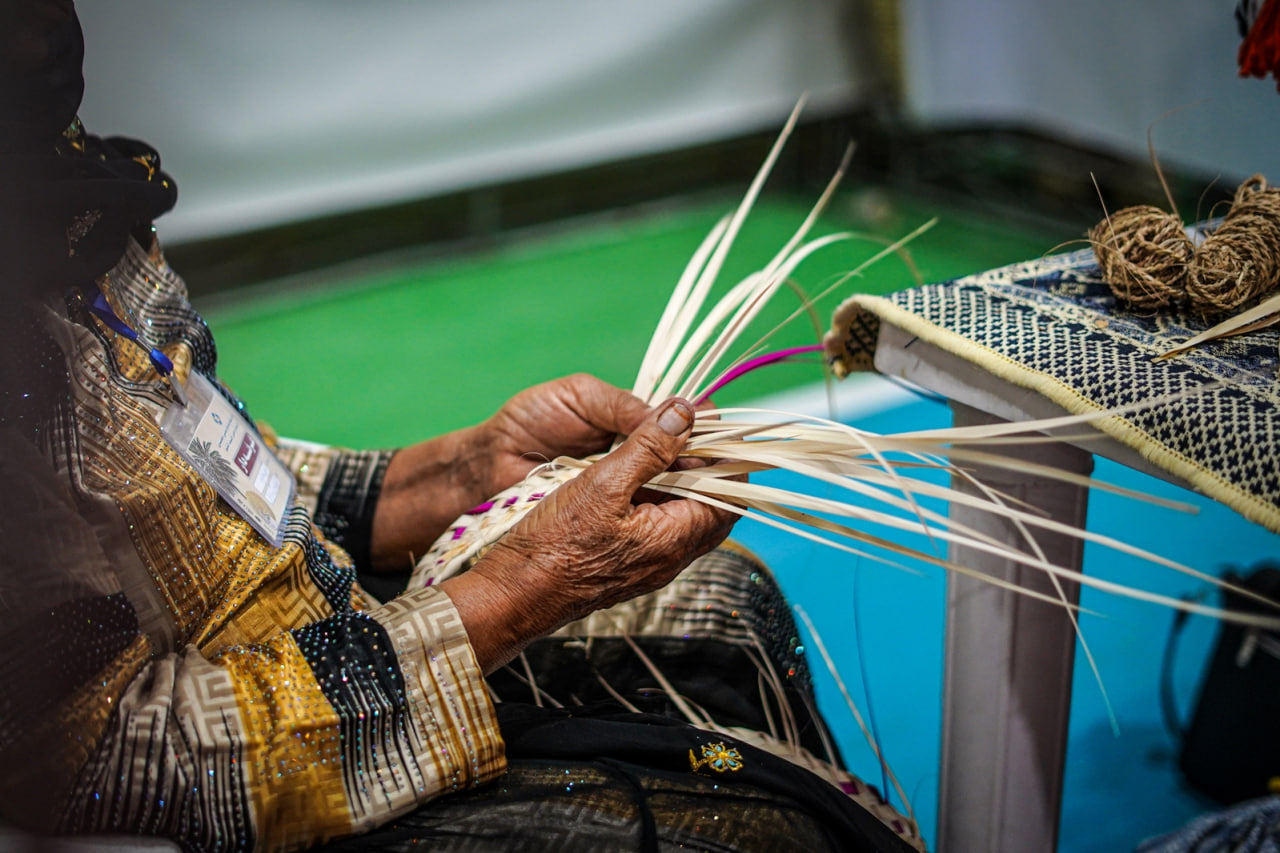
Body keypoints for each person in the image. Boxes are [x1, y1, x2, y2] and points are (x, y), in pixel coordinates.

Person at [0, 3, 922, 850]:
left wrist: (460, 470)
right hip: (236, 781)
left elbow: (204, 486)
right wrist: (517, 592)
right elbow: (96, 767)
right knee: (764, 841)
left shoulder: (66, 194)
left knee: (729, 604)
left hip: (316, 628)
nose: (47, 28)